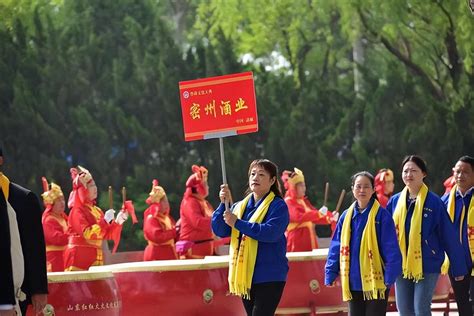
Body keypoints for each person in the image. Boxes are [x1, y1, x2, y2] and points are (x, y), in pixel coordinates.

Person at [386, 155, 467, 316]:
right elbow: (385, 235)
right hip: (401, 264)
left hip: (428, 264)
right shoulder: (395, 202)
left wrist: (458, 268)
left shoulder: (434, 202)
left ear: (423, 174)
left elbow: (448, 236)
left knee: (421, 309)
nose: (409, 174)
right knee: (404, 310)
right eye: (405, 171)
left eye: (414, 171)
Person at [212, 159, 289, 316]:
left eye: (261, 174)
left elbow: (270, 233)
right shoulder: (240, 207)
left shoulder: (278, 206)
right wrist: (223, 204)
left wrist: (238, 223)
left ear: (272, 180)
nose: (255, 178)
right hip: (246, 276)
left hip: (269, 275)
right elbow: (220, 230)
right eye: (253, 174)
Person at [325, 171, 402, 316]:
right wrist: (331, 272)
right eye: (358, 186)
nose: (362, 190)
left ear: (373, 189)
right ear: (353, 189)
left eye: (366, 186)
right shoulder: (345, 217)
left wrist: (390, 277)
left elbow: (391, 248)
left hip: (377, 281)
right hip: (353, 280)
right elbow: (336, 246)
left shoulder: (382, 216)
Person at [0, 145, 48, 316]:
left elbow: (35, 247)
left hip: (17, 289)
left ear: (0, 161)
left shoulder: (23, 198)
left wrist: (39, 289)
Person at [64, 166, 128, 271]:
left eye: (95, 185)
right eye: (92, 186)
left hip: (95, 258)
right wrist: (105, 221)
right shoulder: (77, 211)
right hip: (79, 258)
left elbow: (105, 234)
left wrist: (117, 221)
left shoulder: (97, 210)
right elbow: (88, 233)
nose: (95, 188)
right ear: (83, 190)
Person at [441, 156, 474, 316]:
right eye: (457, 171)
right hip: (457, 265)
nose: (460, 175)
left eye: (465, 172)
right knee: (463, 308)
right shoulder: (446, 201)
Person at [281, 168, 338, 251]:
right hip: (296, 240)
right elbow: (298, 217)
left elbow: (315, 217)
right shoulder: (288, 202)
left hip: (309, 239)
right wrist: (318, 214)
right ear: (294, 187)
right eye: (301, 185)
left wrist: (329, 217)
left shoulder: (303, 202)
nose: (304, 188)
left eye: (304, 185)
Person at [177, 165, 214, 258]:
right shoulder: (189, 202)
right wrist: (216, 221)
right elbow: (198, 222)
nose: (208, 187)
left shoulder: (205, 203)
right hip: (193, 251)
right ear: (198, 188)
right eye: (205, 184)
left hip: (204, 250)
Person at [143, 179, 178, 261]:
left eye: (166, 201)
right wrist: (174, 232)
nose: (167, 204)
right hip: (156, 256)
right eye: (164, 202)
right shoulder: (151, 218)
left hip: (168, 254)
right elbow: (157, 237)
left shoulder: (166, 217)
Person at [41, 177, 69, 272]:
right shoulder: (48, 219)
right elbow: (57, 239)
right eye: (59, 200)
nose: (62, 203)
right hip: (54, 259)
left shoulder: (64, 217)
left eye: (63, 200)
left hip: (66, 257)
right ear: (52, 203)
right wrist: (72, 235)